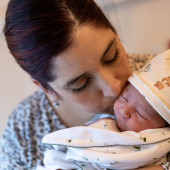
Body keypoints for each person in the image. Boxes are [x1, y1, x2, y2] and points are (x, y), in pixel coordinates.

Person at [0, 0, 169, 169]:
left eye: (111, 57)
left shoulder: (163, 81)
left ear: (115, 34)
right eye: (81, 84)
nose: (113, 88)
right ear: (46, 89)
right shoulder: (22, 134)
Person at [39, 50, 170, 170]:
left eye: (141, 114)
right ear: (47, 90)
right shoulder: (24, 126)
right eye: (81, 83)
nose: (124, 110)